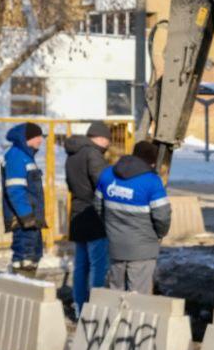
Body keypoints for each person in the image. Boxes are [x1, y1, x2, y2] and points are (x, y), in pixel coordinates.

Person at [94, 140, 170, 295]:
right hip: (143, 250)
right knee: (138, 298)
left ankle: (115, 319)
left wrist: (111, 228)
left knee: (116, 293)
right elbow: (162, 216)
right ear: (152, 162)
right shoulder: (152, 181)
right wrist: (160, 234)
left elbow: (98, 206)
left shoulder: (107, 174)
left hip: (115, 246)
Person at [65, 122, 111, 313]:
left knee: (80, 266)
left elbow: (70, 184)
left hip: (77, 214)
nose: (108, 146)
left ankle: (80, 306)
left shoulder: (72, 154)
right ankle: (95, 308)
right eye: (108, 141)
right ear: (101, 138)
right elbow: (103, 184)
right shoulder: (93, 154)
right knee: (98, 264)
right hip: (94, 215)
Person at [2, 122, 46, 274]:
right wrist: (25, 215)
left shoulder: (26, 156)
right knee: (24, 257)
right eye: (38, 137)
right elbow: (15, 189)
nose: (41, 140)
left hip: (31, 217)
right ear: (28, 138)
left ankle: (28, 286)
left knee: (33, 256)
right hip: (23, 219)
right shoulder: (16, 156)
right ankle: (22, 287)